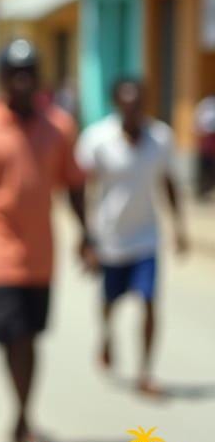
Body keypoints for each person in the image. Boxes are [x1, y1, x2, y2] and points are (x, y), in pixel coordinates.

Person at [0, 38, 93, 442]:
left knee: (30, 335)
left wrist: (87, 236)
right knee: (12, 335)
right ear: (2, 78)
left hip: (42, 254)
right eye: (15, 74)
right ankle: (24, 415)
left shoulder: (59, 127)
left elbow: (76, 185)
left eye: (29, 73)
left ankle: (23, 416)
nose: (23, 81)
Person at [76, 77, 188, 396]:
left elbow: (169, 182)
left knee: (149, 301)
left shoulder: (160, 138)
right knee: (110, 301)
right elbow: (85, 188)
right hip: (110, 237)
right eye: (126, 104)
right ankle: (107, 334)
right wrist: (87, 236)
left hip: (146, 237)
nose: (132, 110)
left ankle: (145, 372)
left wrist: (179, 227)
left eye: (138, 103)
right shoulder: (98, 139)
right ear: (116, 105)